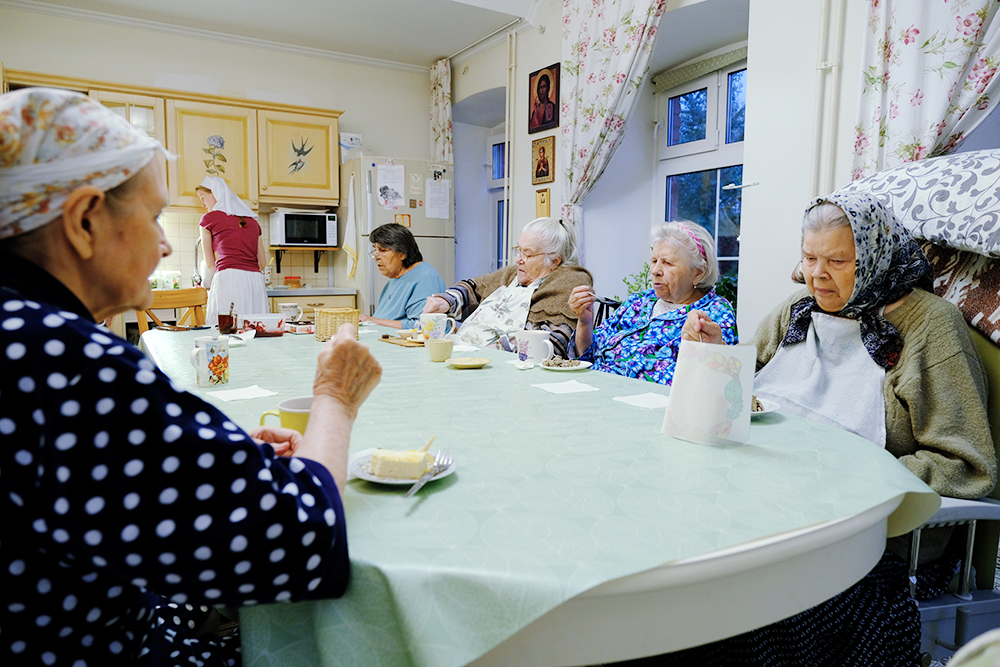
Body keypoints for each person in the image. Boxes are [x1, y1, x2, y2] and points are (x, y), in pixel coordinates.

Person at [0, 88, 382, 666]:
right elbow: (306, 544)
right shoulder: (73, 367)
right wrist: (333, 395)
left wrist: (201, 458)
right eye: (153, 217)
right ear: (82, 221)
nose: (162, 242)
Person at [667, 190, 997, 665]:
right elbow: (748, 393)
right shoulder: (799, 306)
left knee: (741, 605)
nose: (818, 276)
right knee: (683, 563)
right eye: (809, 258)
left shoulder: (930, 327)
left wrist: (854, 473)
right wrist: (718, 352)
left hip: (866, 537)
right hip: (763, 500)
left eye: (838, 261)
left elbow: (969, 465)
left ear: (876, 252)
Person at [568, 222, 737, 384]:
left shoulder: (714, 314)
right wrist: (584, 321)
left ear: (698, 273)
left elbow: (719, 383)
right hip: (591, 389)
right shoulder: (639, 302)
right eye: (654, 260)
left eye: (667, 263)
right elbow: (585, 356)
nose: (655, 271)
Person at [423, 217, 592, 358]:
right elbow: (474, 287)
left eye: (528, 254)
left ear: (555, 260)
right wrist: (446, 301)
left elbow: (553, 344)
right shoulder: (514, 273)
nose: (519, 259)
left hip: (501, 367)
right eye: (518, 251)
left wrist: (494, 352)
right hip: (464, 354)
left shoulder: (569, 281)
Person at [196, 175, 268, 325]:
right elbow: (262, 263)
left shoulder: (208, 219)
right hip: (255, 282)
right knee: (255, 331)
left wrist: (225, 278)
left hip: (227, 279)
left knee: (224, 333)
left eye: (203, 198)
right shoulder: (253, 222)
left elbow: (210, 263)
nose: (203, 204)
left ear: (214, 193)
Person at [359, 223, 445, 329]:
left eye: (382, 250)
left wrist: (375, 321)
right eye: (375, 249)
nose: (376, 256)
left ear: (402, 253)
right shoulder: (394, 279)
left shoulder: (426, 279)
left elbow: (422, 326)